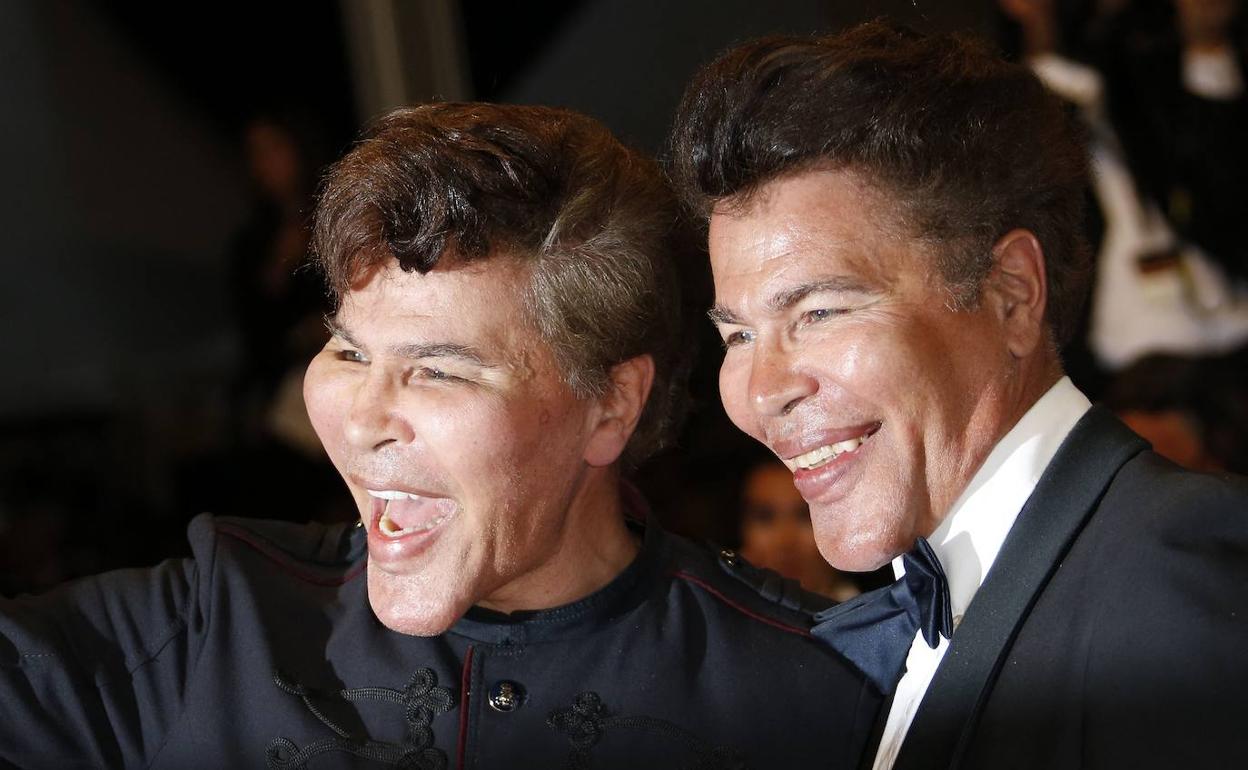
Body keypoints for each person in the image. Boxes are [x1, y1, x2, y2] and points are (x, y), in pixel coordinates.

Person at [0, 103, 878, 769]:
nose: (363, 417)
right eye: (349, 351)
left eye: (439, 371)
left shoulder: (813, 690)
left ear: (610, 406)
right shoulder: (213, 625)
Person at [669, 21, 1248, 770]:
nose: (762, 392)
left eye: (819, 312)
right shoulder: (887, 638)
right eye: (738, 335)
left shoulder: (1179, 583)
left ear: (1011, 294)